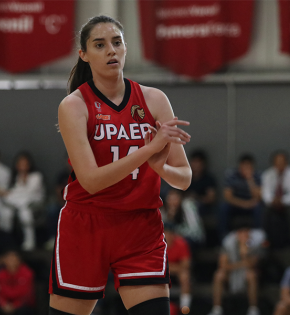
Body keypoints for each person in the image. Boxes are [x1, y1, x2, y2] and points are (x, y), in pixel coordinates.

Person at [50, 15, 191, 315]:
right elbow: (90, 181)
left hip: (140, 225)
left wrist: (161, 167)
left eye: (117, 43)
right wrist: (149, 150)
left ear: (126, 48)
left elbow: (184, 177)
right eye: (100, 45)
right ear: (84, 55)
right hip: (87, 224)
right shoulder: (74, 105)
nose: (111, 51)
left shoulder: (154, 99)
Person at [208, 225, 265, 315]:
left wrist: (244, 253)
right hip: (231, 274)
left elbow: (252, 264)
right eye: (242, 233)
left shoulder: (255, 243)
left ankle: (253, 309)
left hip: (246, 274)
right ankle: (216, 309)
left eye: (246, 233)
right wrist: (241, 264)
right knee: (219, 275)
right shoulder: (228, 243)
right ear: (237, 234)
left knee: (252, 275)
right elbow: (223, 265)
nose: (244, 236)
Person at [0, 151, 45, 251]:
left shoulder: (36, 176)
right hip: (17, 203)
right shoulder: (15, 177)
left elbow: (28, 193)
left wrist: (6, 194)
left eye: (25, 164)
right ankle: (6, 241)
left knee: (25, 212)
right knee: (5, 212)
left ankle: (30, 241)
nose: (22, 166)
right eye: (20, 164)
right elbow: (15, 192)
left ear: (29, 164)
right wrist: (3, 193)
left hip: (33, 204)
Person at [262, 150, 290, 247]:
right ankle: (266, 239)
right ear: (273, 163)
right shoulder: (267, 175)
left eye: (282, 162)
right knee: (264, 209)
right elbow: (265, 193)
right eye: (277, 163)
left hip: (288, 204)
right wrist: (272, 200)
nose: (279, 165)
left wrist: (282, 200)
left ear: (287, 163)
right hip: (273, 203)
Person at [219, 154, 262, 239]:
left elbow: (259, 196)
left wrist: (250, 179)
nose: (246, 168)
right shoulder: (232, 175)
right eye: (244, 165)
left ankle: (258, 237)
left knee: (259, 208)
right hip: (236, 204)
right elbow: (228, 196)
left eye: (248, 165)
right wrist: (244, 204)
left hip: (252, 205)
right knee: (223, 207)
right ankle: (224, 238)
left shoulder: (257, 176)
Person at [0, 251, 35, 315]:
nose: (11, 261)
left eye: (13, 258)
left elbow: (25, 294)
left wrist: (14, 305)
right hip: (6, 304)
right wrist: (4, 304)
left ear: (19, 260)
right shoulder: (0, 274)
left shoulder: (27, 273)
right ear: (4, 260)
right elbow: (0, 292)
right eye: (9, 259)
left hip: (23, 304)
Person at [164, 223, 192, 313]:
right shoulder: (158, 245)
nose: (168, 236)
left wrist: (169, 267)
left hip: (176, 274)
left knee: (185, 276)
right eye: (165, 233)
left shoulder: (181, 244)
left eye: (170, 233)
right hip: (163, 274)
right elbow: (155, 266)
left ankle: (184, 308)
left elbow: (186, 265)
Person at [187, 149, 217, 214]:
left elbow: (211, 198)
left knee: (189, 205)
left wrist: (196, 198)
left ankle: (194, 224)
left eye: (198, 162)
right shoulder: (185, 177)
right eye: (194, 162)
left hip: (203, 206)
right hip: (183, 205)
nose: (196, 165)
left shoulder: (208, 179)